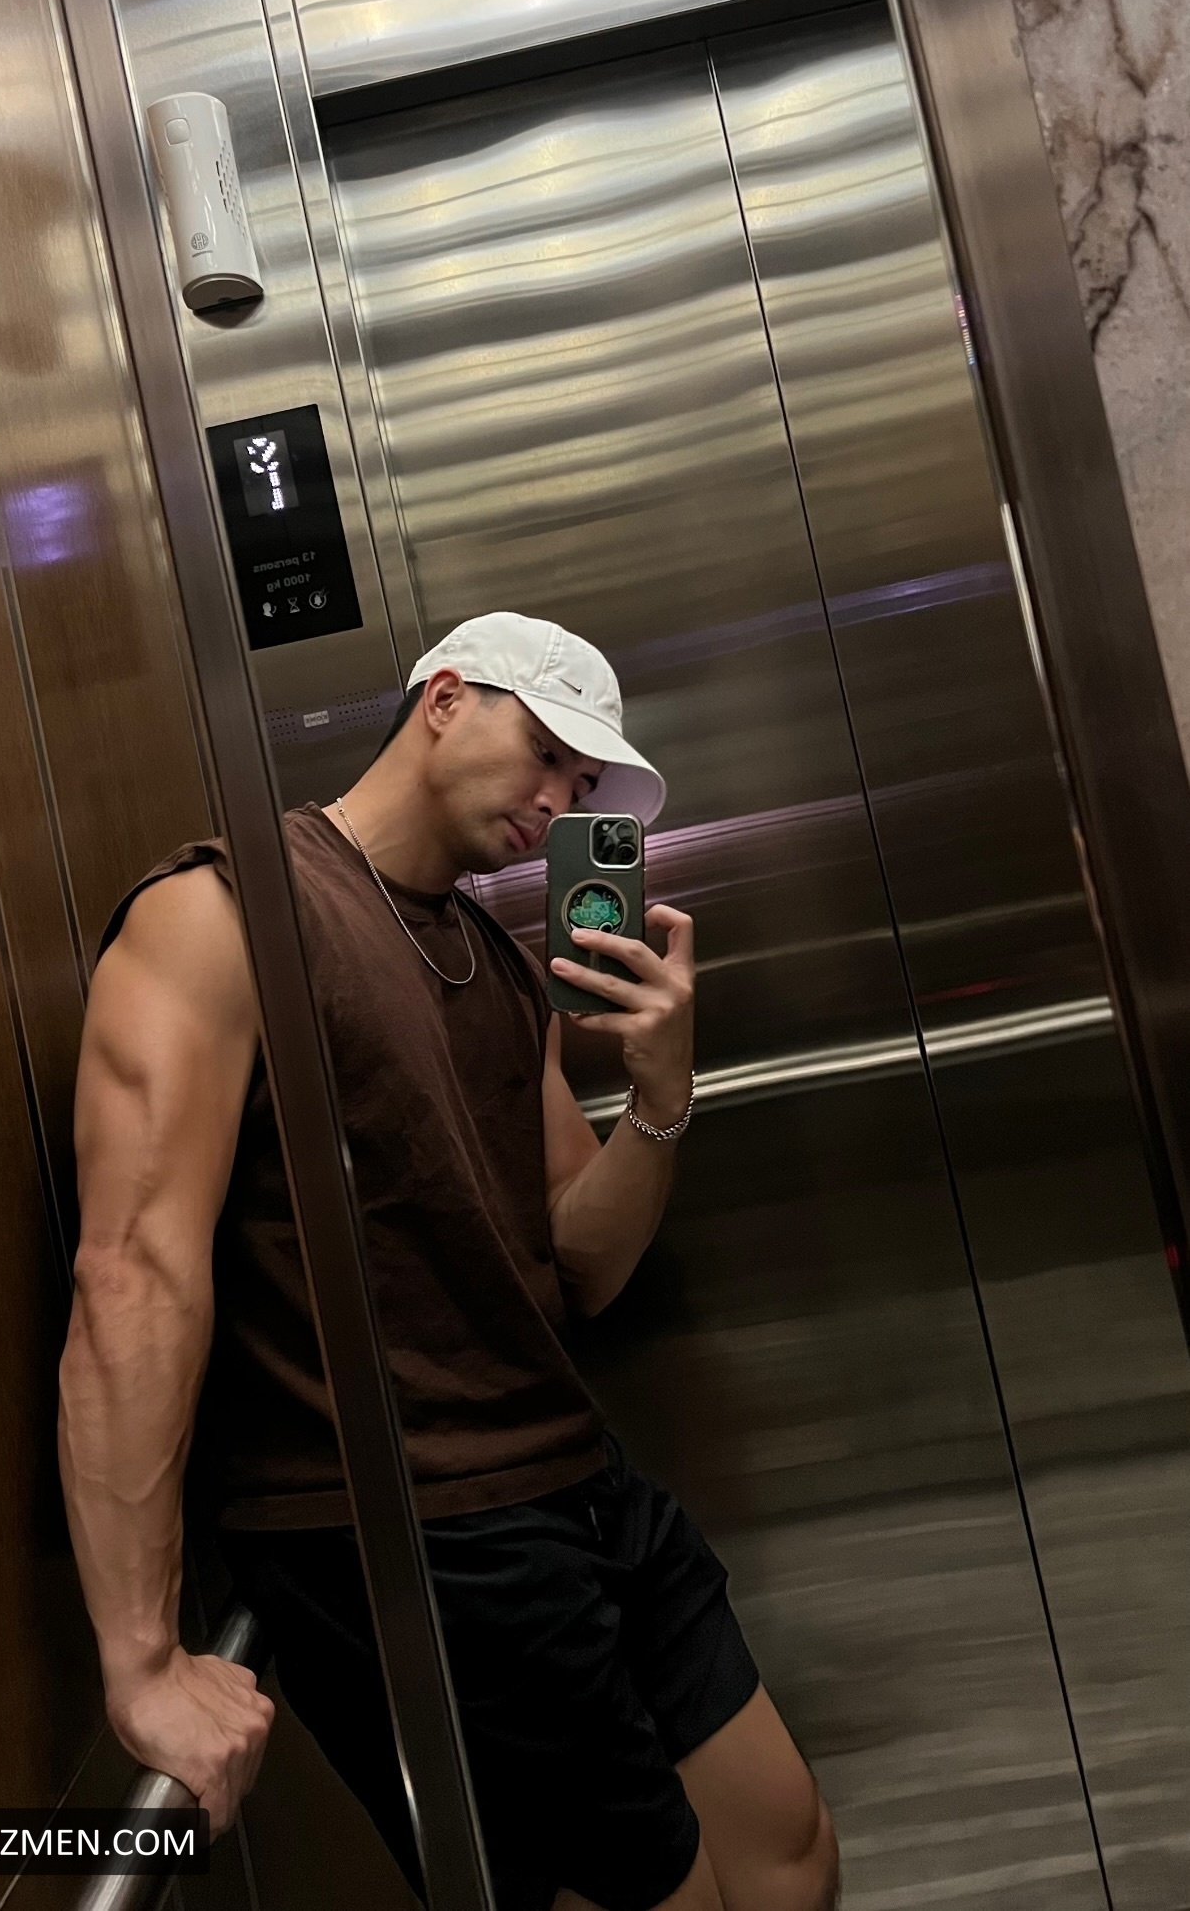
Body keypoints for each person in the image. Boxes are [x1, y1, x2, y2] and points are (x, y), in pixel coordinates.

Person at [62, 611, 839, 1911]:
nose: (559, 802)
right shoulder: (226, 911)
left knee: (787, 1853)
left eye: (583, 787)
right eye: (546, 754)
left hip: (576, 1477)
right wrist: (139, 1658)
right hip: (420, 1530)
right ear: (444, 698)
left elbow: (580, 1263)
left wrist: (660, 1098)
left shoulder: (502, 968)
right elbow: (133, 1274)